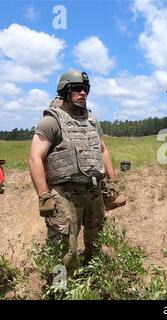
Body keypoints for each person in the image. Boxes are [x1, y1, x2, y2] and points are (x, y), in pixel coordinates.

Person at [29, 70, 121, 271]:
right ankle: (61, 289)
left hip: (93, 191)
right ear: (65, 91)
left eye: (86, 89)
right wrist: (44, 196)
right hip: (64, 194)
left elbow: (102, 150)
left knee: (96, 239)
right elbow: (35, 157)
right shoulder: (52, 120)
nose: (83, 93)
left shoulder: (91, 120)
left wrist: (112, 182)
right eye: (77, 89)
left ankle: (93, 280)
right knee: (64, 249)